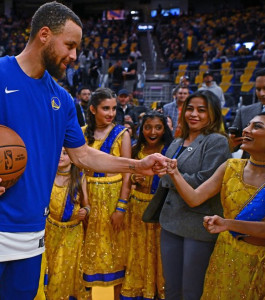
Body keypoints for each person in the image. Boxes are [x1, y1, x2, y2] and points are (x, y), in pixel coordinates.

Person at [0, 3, 169, 299]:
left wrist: (137, 166)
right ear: (44, 35)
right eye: (70, 45)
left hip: (32, 232)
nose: (74, 56)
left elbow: (84, 155)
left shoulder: (62, 99)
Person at [166, 112, 265, 299]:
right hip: (226, 256)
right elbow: (195, 198)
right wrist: (174, 173)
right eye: (248, 124)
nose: (246, 129)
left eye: (257, 126)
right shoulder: (230, 166)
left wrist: (229, 224)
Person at [158, 90, 231, 299]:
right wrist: (174, 177)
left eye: (201, 110)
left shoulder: (216, 141)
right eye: (190, 109)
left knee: (192, 290)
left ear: (213, 114)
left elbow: (203, 182)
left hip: (198, 225)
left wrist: (174, 175)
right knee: (171, 287)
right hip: (170, 222)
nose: (194, 114)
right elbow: (163, 178)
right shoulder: (177, 140)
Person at [81, 88, 131, 300]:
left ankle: (113, 296)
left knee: (113, 251)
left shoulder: (122, 133)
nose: (111, 113)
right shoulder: (81, 132)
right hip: (87, 195)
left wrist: (121, 207)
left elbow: (128, 171)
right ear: (93, 109)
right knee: (86, 248)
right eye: (105, 108)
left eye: (113, 108)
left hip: (112, 198)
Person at [120, 111, 173, 300]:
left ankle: (158, 290)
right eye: (148, 127)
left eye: (158, 127)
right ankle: (139, 289)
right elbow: (127, 175)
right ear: (141, 129)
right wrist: (135, 177)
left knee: (158, 251)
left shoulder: (171, 150)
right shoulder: (136, 149)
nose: (152, 131)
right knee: (138, 250)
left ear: (164, 129)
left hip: (159, 209)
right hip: (136, 208)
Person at [42, 147, 90, 299]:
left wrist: (86, 211)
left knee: (65, 268)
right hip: (50, 231)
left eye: (65, 153)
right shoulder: (48, 176)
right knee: (52, 268)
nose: (60, 157)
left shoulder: (80, 177)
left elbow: (87, 204)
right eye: (58, 153)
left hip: (72, 233)